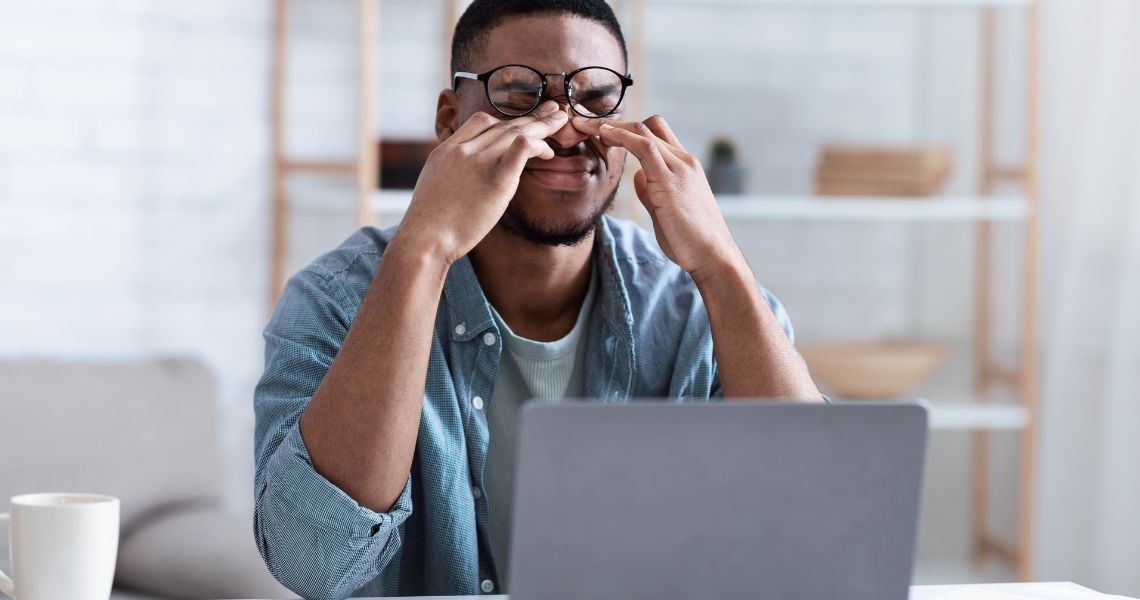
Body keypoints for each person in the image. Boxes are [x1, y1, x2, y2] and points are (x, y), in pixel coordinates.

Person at [253, 1, 823, 598]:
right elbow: (311, 564)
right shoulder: (335, 299)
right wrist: (423, 249)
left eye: (597, 100)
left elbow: (816, 538)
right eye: (521, 96)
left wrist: (721, 264)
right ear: (450, 121)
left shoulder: (699, 306)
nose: (565, 127)